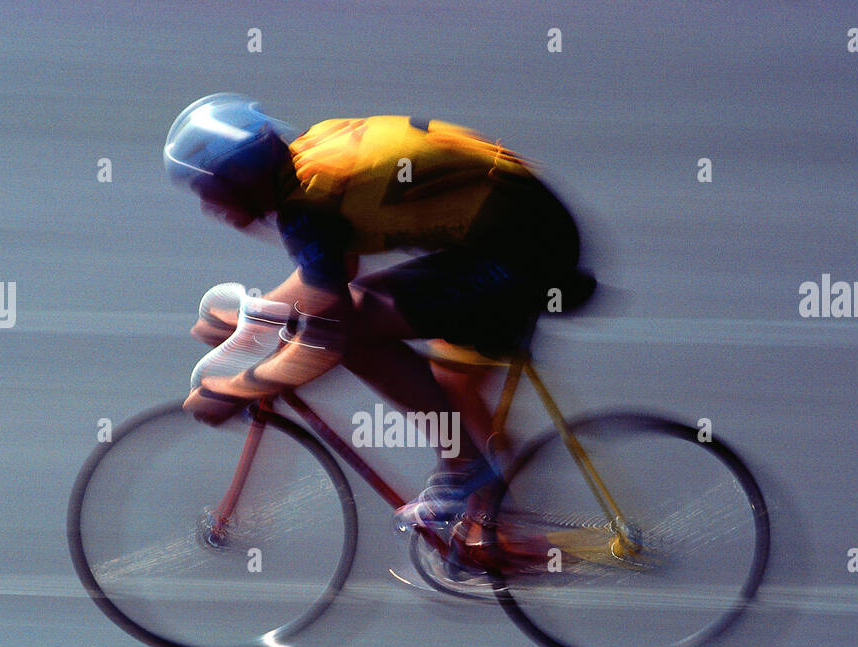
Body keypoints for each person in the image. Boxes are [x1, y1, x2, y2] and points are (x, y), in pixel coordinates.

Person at [164, 93, 592, 529]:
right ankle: (499, 524)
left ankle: (469, 474)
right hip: (519, 233)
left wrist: (236, 388)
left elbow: (328, 339)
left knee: (358, 331)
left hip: (527, 255)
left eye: (206, 188)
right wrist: (259, 320)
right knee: (450, 385)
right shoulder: (308, 164)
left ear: (239, 176)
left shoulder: (307, 206)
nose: (206, 206)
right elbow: (330, 274)